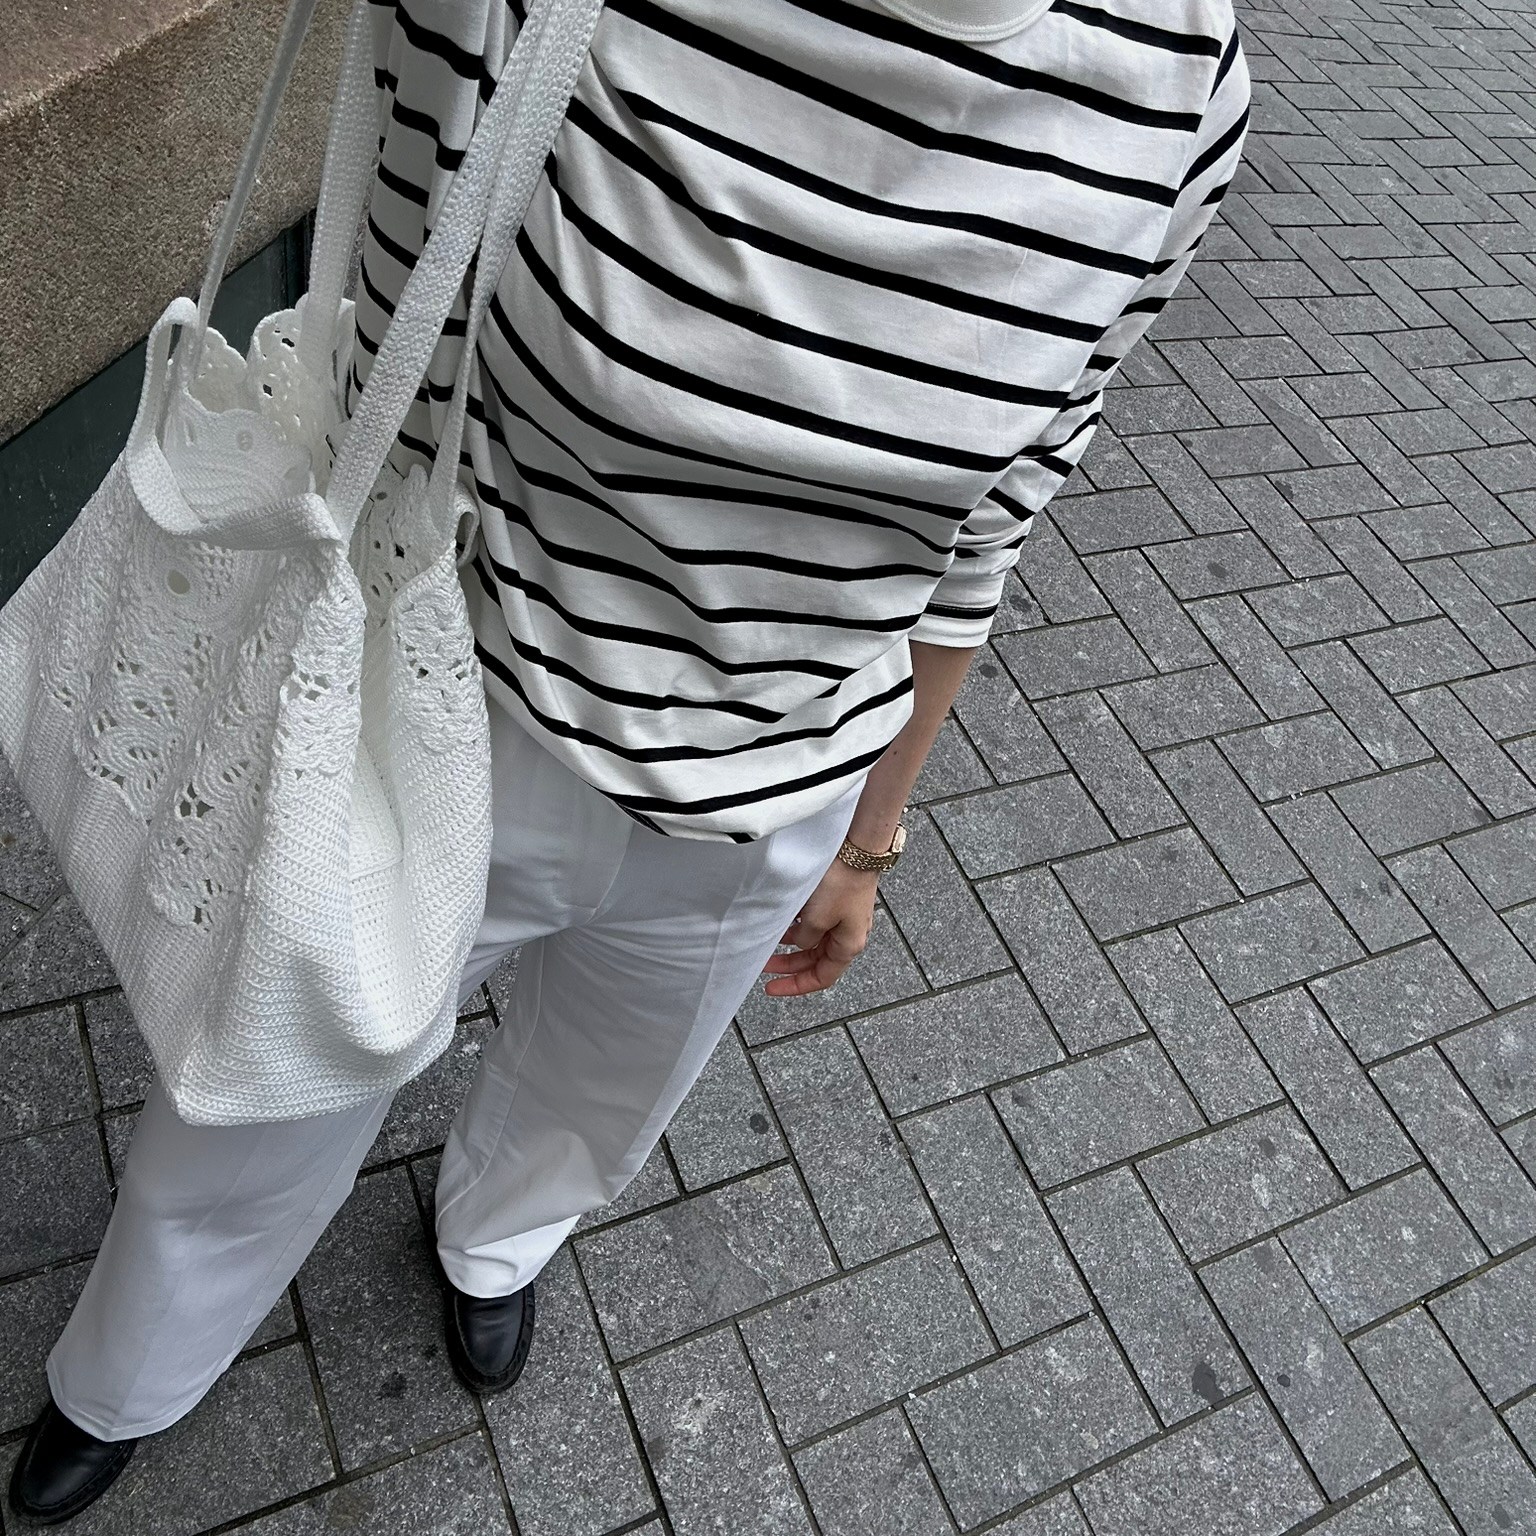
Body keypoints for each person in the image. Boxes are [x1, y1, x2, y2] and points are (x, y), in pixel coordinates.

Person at [9, 0, 1249, 1522]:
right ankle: (128, 1377)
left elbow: (997, 516)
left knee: (601, 1094)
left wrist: (874, 835)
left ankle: (492, 1243)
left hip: (777, 787)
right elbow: (392, 297)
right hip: (443, 708)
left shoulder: (1178, 80)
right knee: (251, 1112)